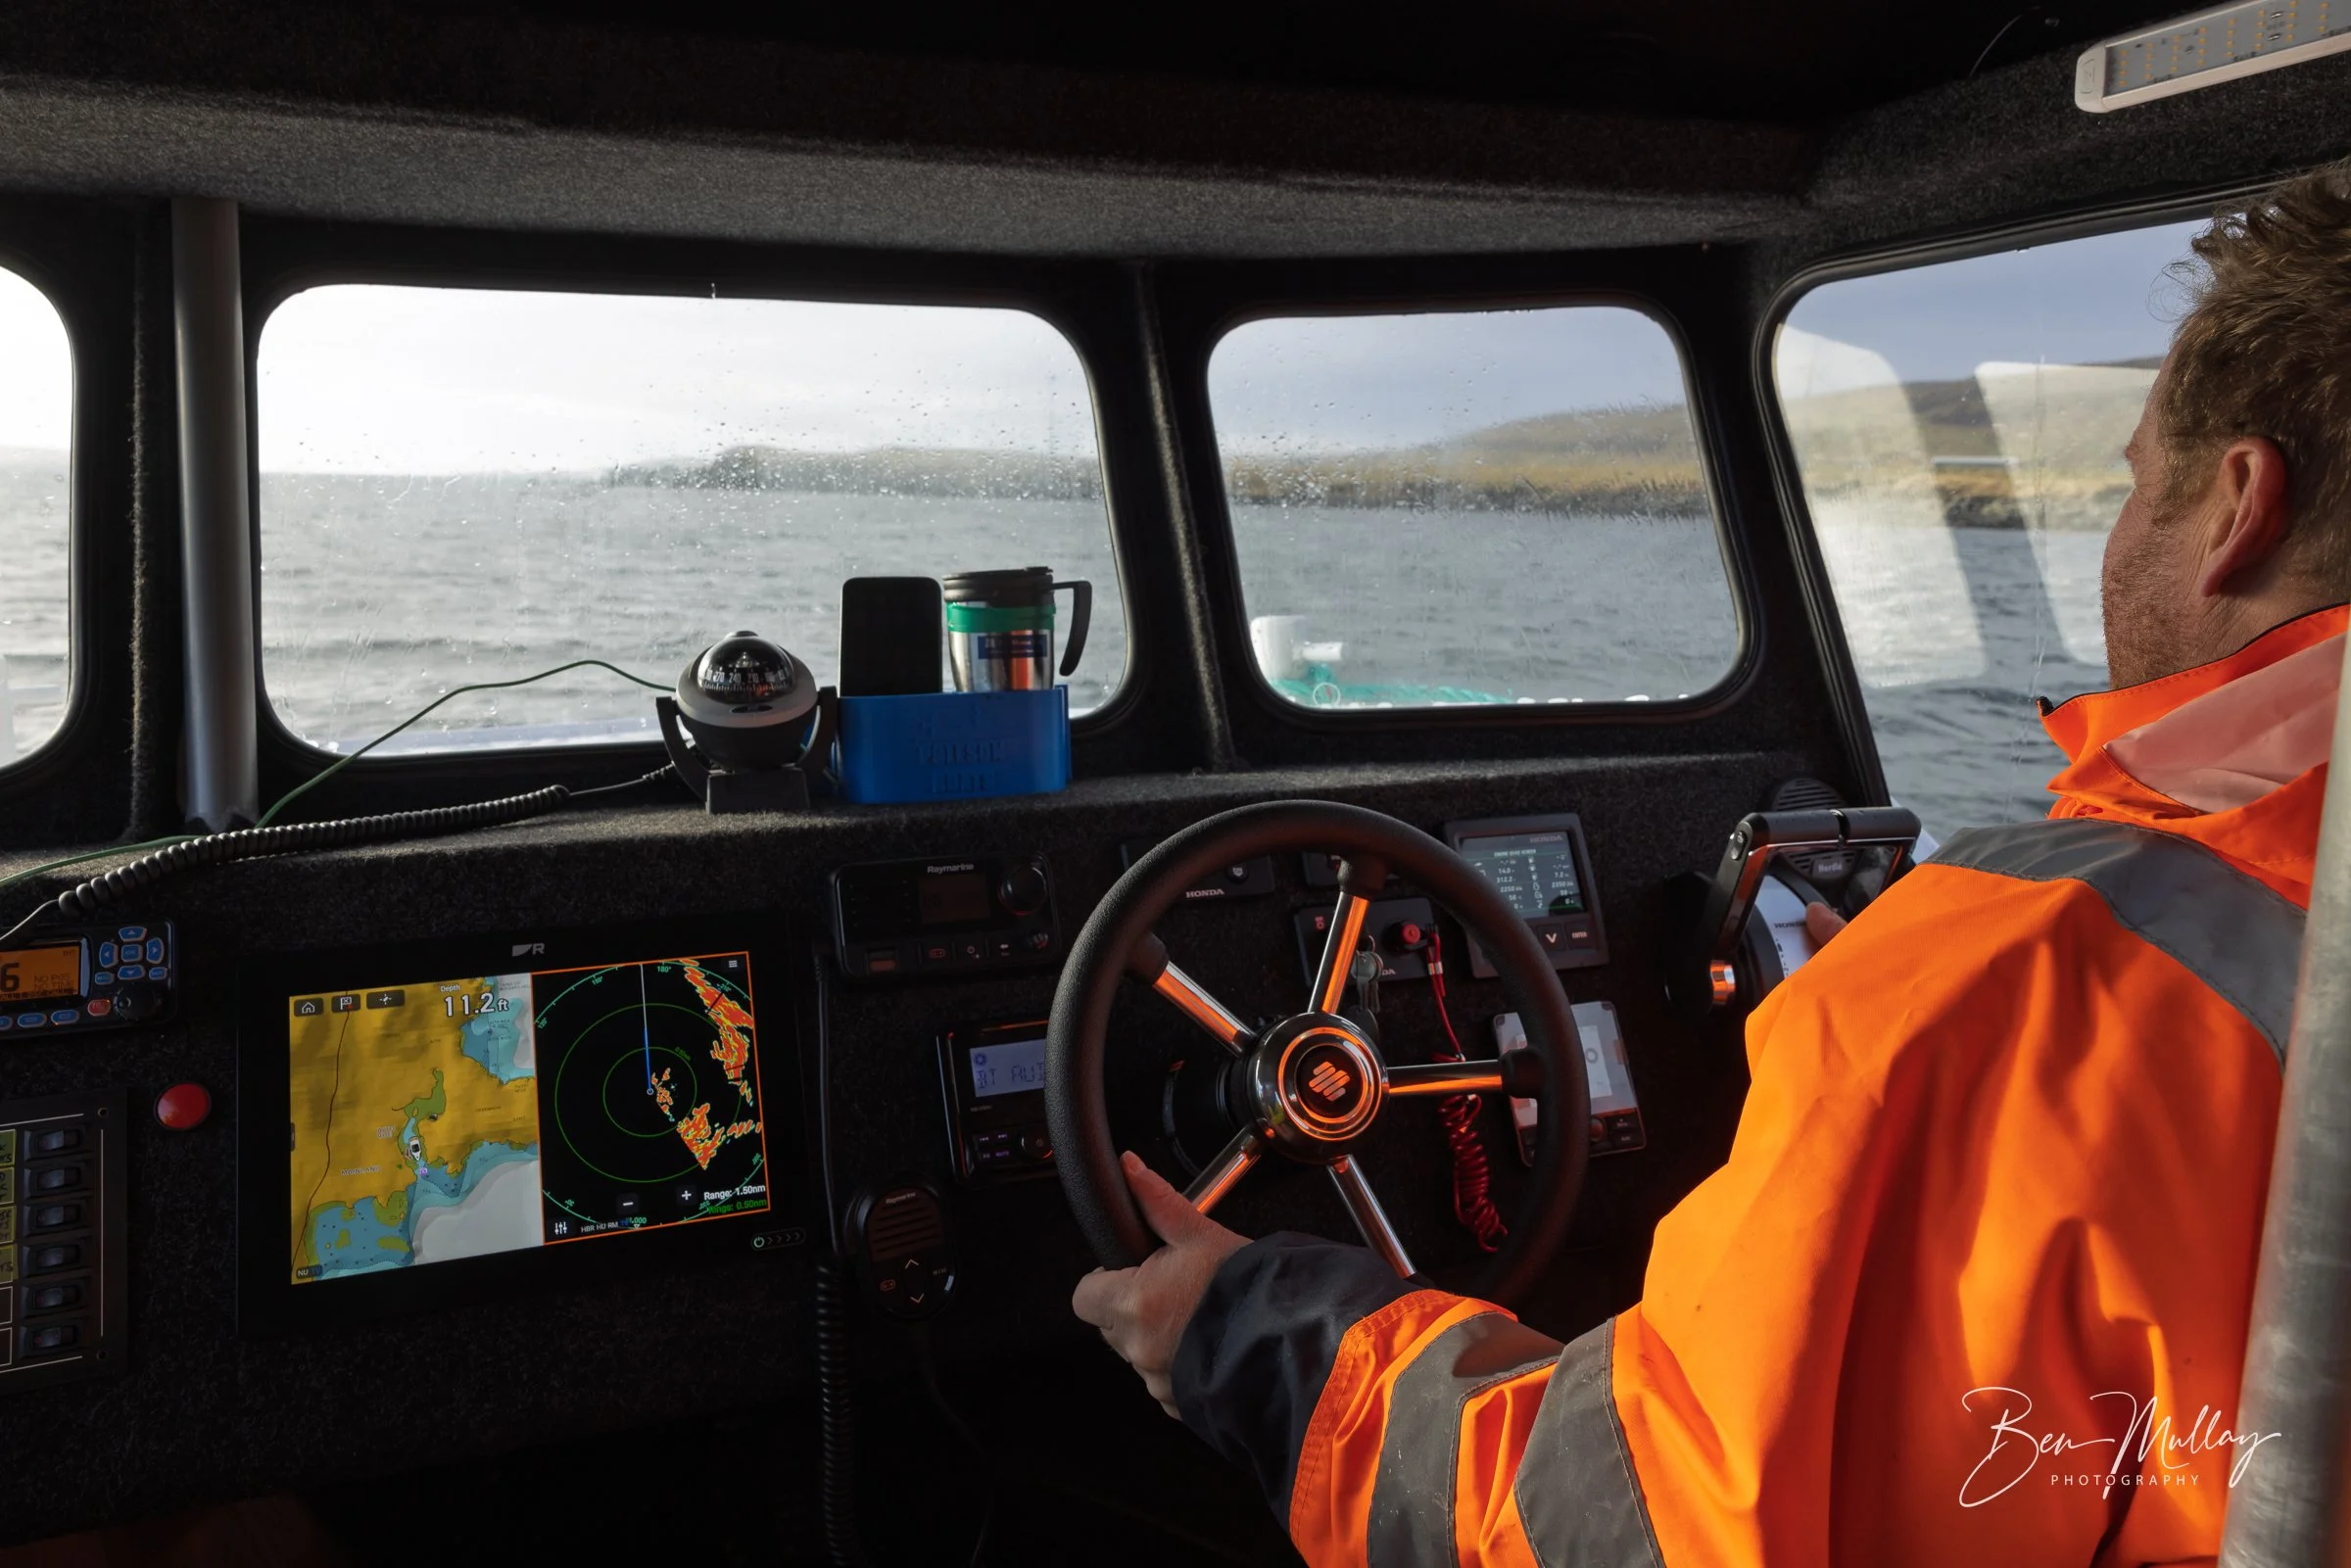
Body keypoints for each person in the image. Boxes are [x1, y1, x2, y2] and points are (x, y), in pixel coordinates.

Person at [1072, 159, 2351, 1564]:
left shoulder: (2022, 991)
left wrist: (1256, 1335)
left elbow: (1662, 1524)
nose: (2122, 534)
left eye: (2138, 488)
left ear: (2236, 508)